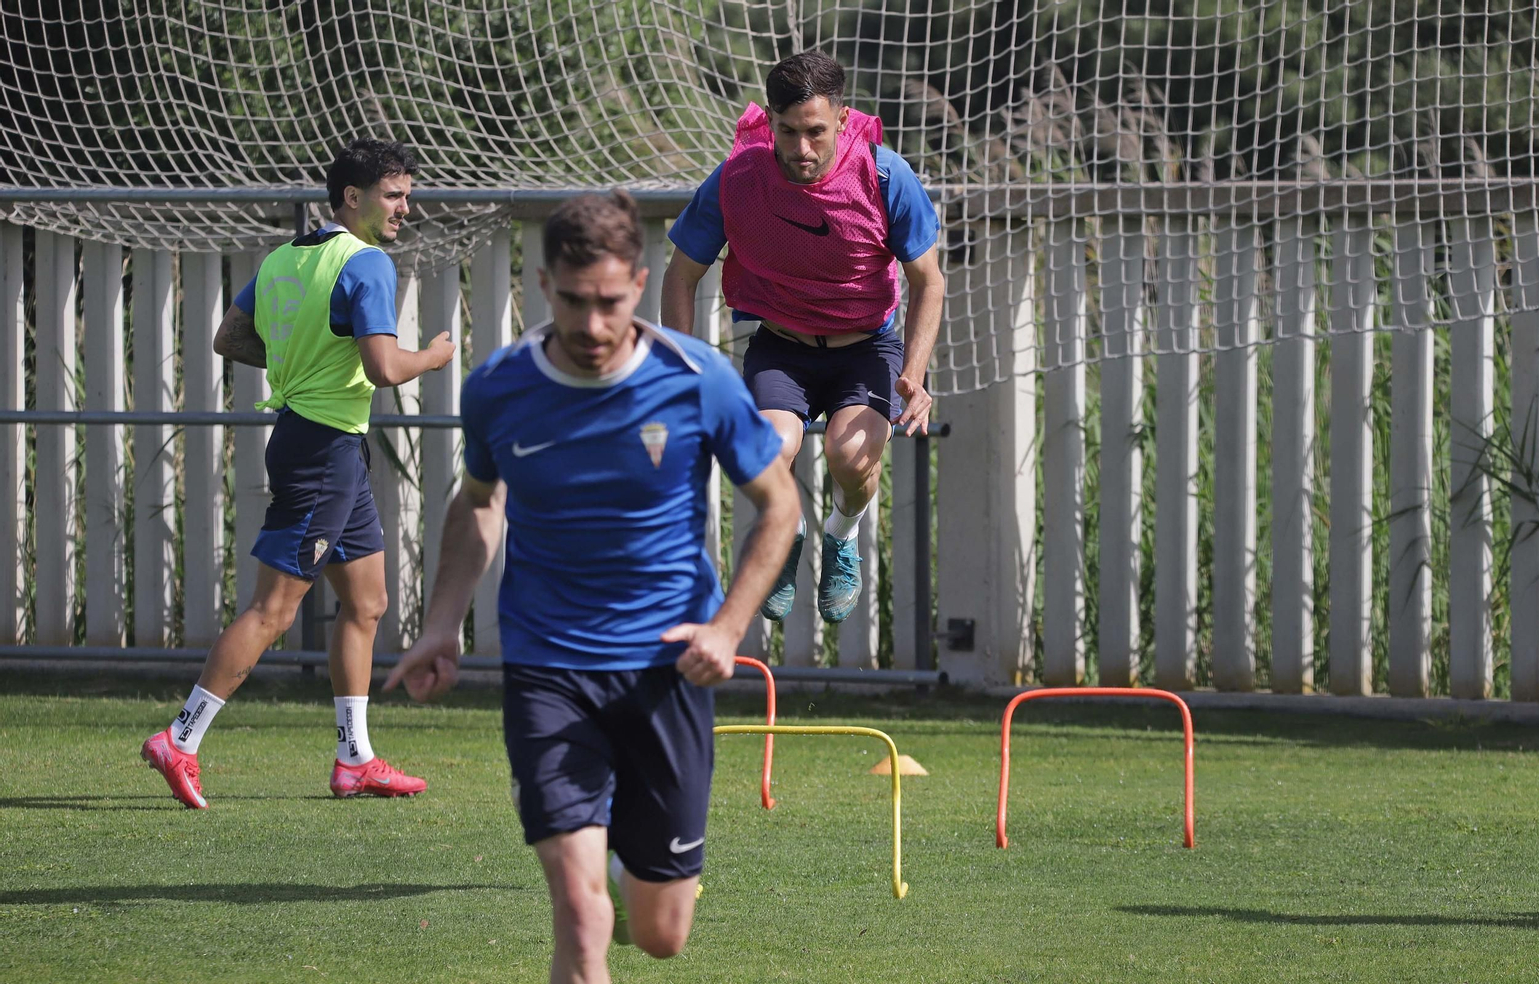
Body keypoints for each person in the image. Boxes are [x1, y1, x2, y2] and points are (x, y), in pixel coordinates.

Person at [383, 190, 799, 981]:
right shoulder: (499, 387)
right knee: (578, 919)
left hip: (666, 670)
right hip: (548, 667)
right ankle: (589, 867)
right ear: (545, 287)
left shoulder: (695, 379)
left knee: (661, 935)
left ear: (638, 286)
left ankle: (627, 862)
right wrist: (442, 622)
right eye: (574, 302)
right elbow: (479, 503)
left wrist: (727, 627)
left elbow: (780, 506)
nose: (593, 324)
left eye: (609, 302)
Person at [140, 138, 456, 809]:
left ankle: (354, 759)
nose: (406, 208)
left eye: (408, 194)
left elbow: (231, 337)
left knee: (366, 602)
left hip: (325, 444)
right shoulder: (366, 262)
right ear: (352, 197)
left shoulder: (286, 257)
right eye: (394, 196)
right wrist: (432, 355)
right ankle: (180, 737)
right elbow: (383, 368)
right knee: (272, 610)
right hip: (322, 453)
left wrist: (299, 358)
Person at [660, 49, 945, 626]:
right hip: (780, 346)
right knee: (766, 451)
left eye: (815, 132)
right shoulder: (737, 178)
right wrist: (679, 373)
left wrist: (914, 371)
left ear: (842, 119)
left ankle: (842, 533)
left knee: (849, 454)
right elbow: (680, 275)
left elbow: (928, 281)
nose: (802, 150)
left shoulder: (886, 176)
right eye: (787, 132)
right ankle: (785, 537)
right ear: (769, 120)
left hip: (866, 347)